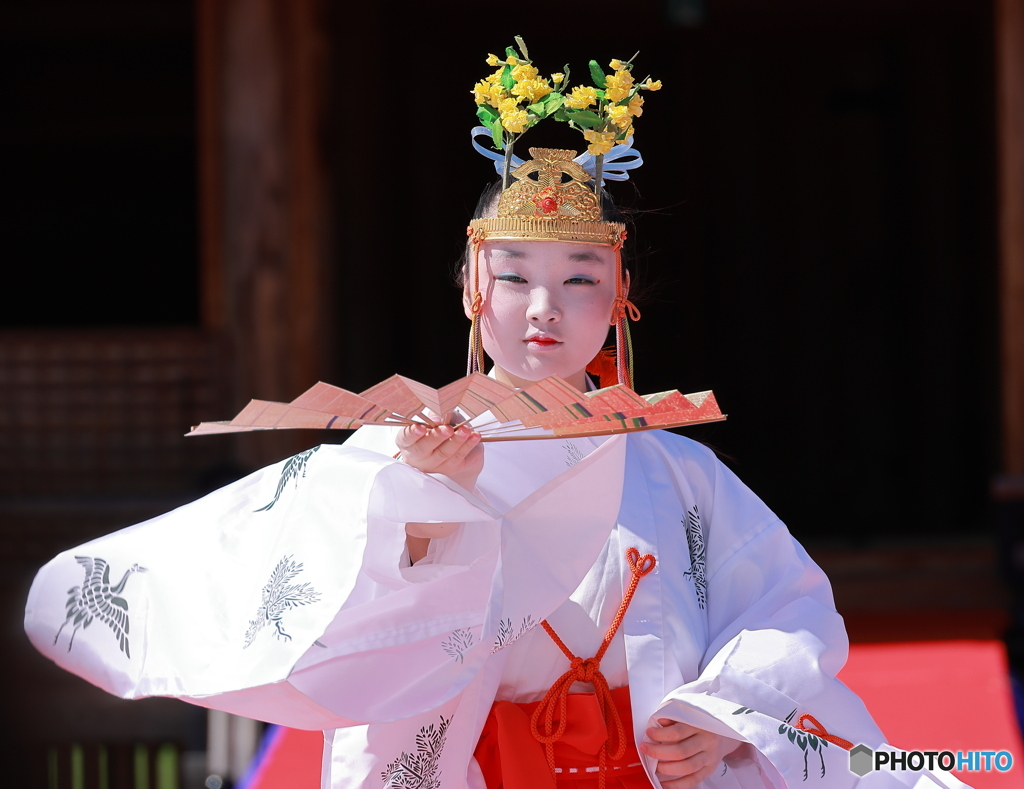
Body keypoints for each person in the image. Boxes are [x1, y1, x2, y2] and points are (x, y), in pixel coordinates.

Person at [25, 49, 967, 789]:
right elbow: (352, 626)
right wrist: (434, 504)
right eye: (513, 278)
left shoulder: (678, 472)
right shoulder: (398, 451)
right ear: (472, 290)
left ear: (622, 297)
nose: (543, 308)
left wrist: (723, 714)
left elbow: (787, 607)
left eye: (579, 280)